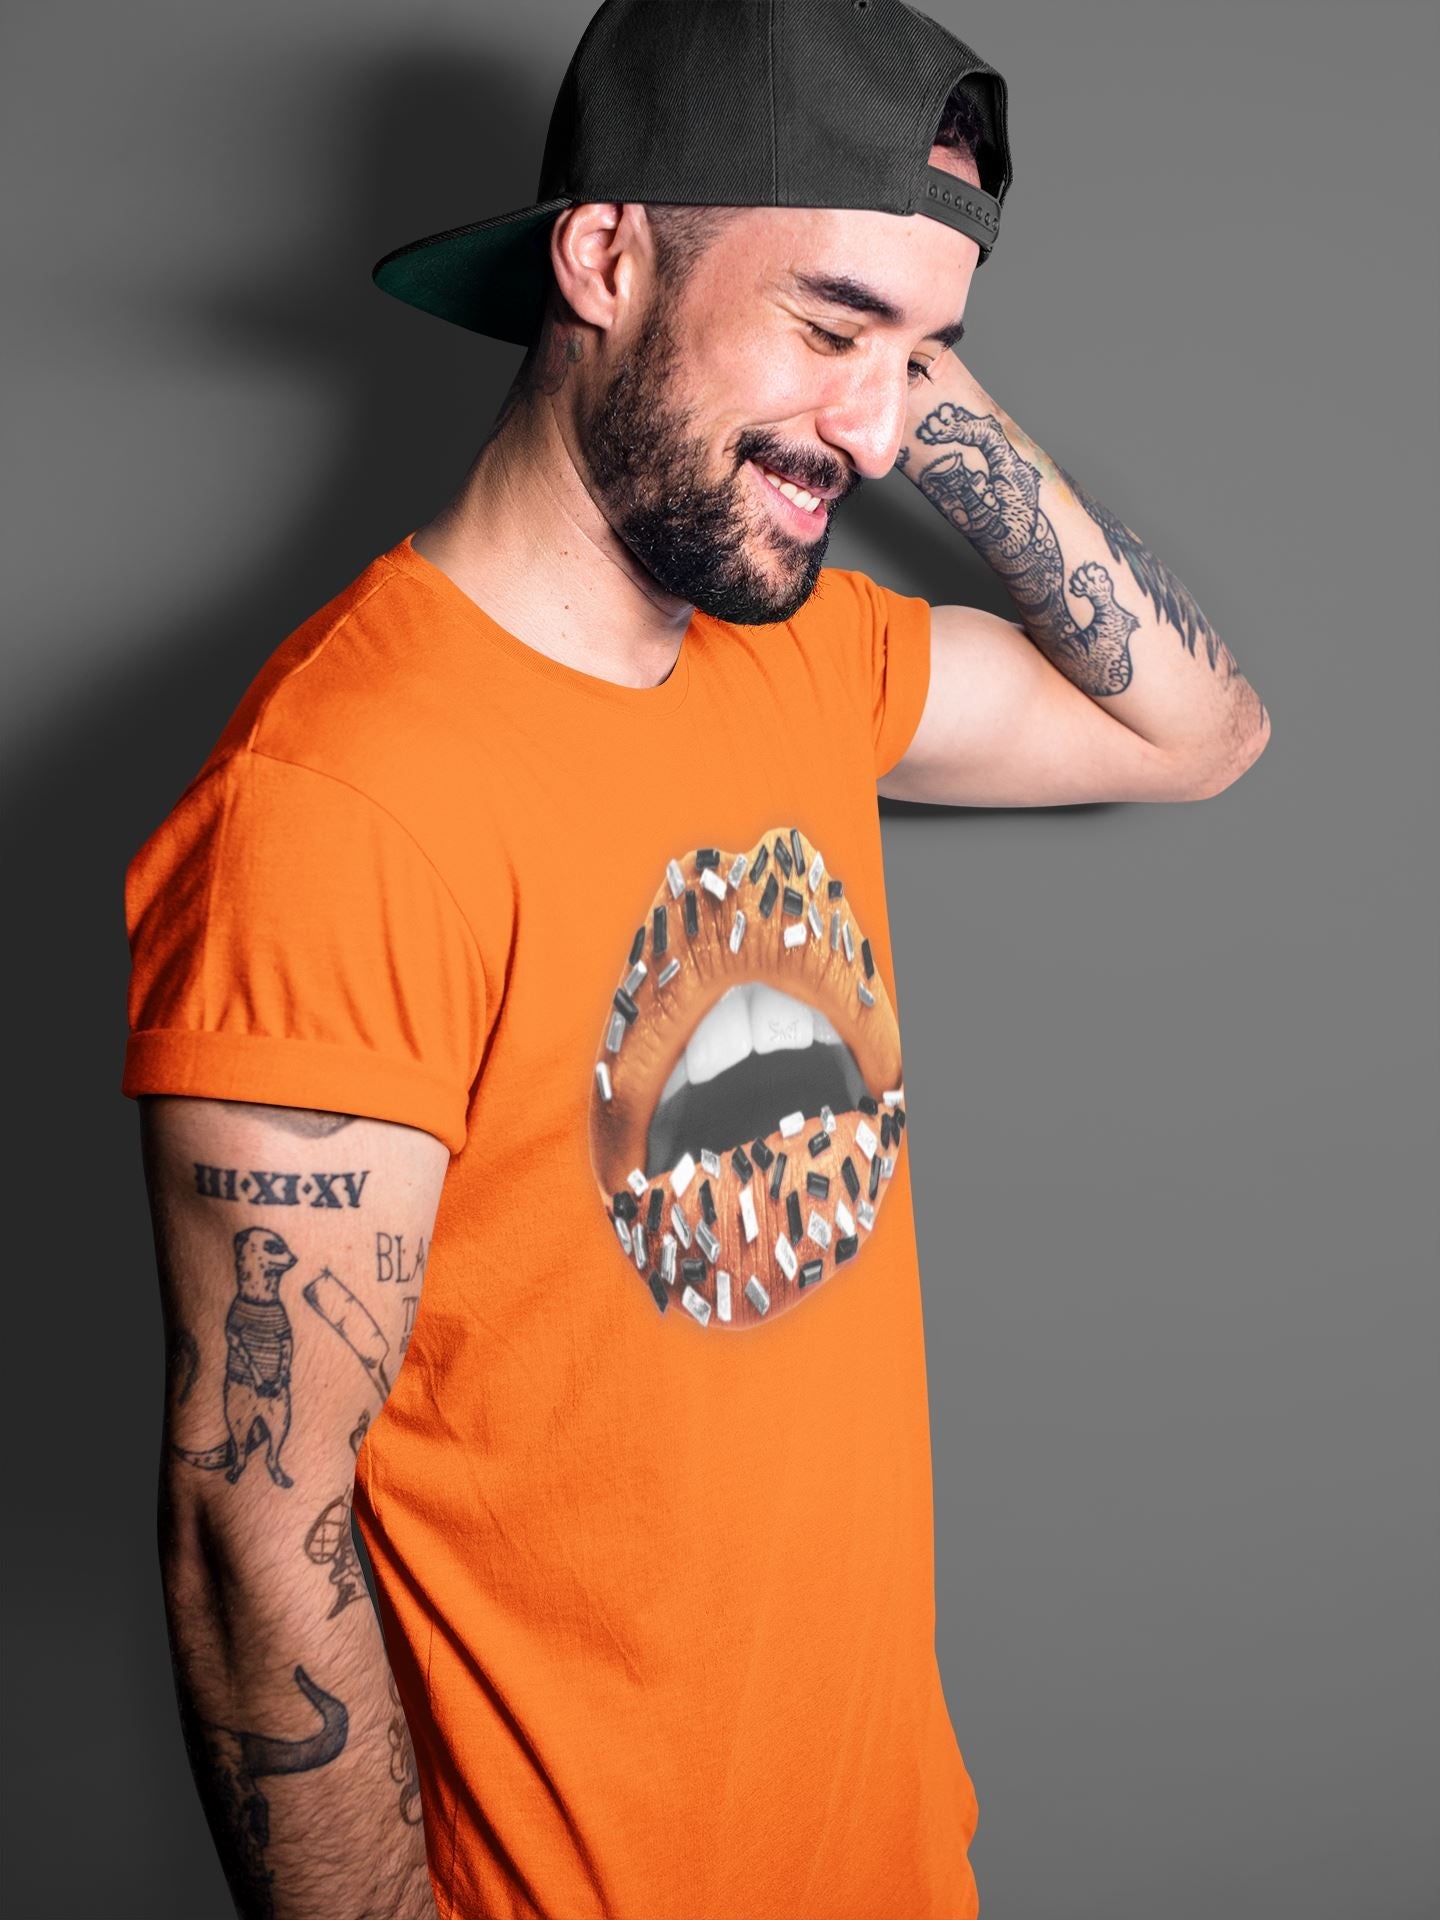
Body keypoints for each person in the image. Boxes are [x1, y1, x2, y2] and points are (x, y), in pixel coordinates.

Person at [122, 1, 1270, 1915]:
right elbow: (256, 1537)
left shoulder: (803, 659)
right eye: (827, 325)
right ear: (602, 258)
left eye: (926, 357)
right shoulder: (340, 801)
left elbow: (1202, 734)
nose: (879, 434)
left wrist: (895, 364)